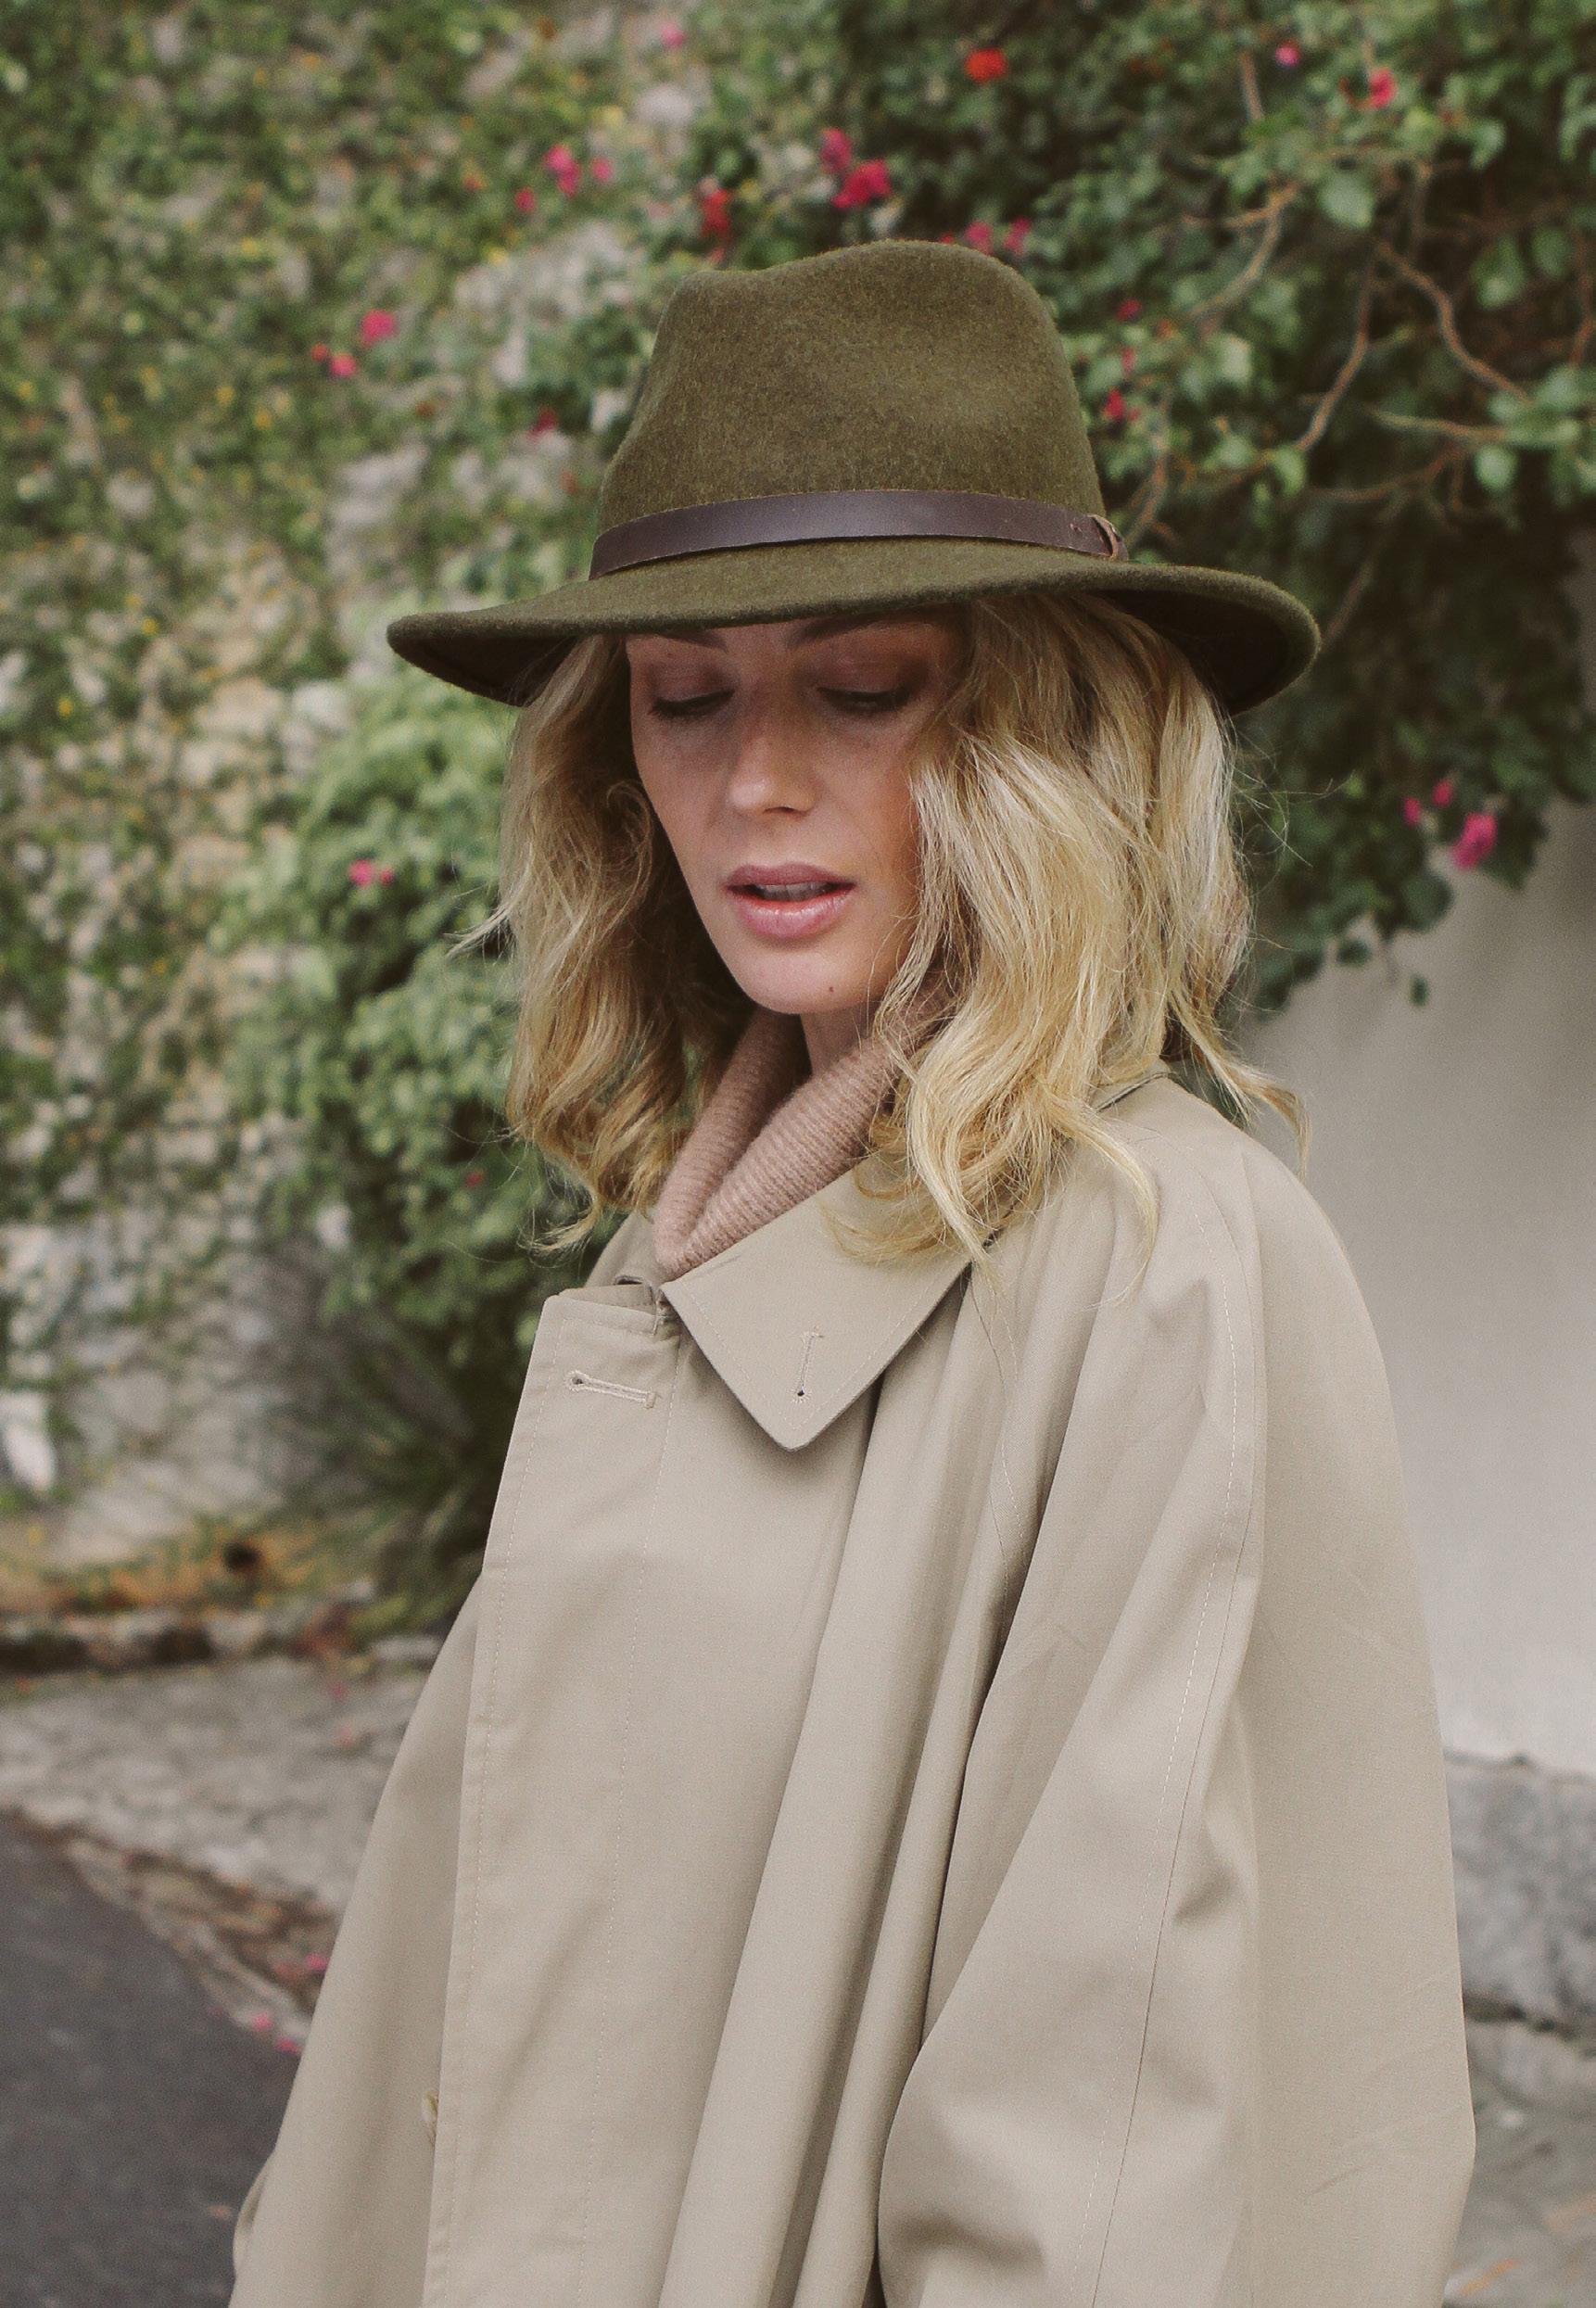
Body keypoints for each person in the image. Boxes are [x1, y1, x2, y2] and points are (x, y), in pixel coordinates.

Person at [227, 239, 1475, 2308]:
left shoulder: (1156, 1263)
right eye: (686, 696)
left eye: (863, 686)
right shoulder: (690, 1236)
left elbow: (1096, 2157)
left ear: (1049, 727)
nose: (756, 782)